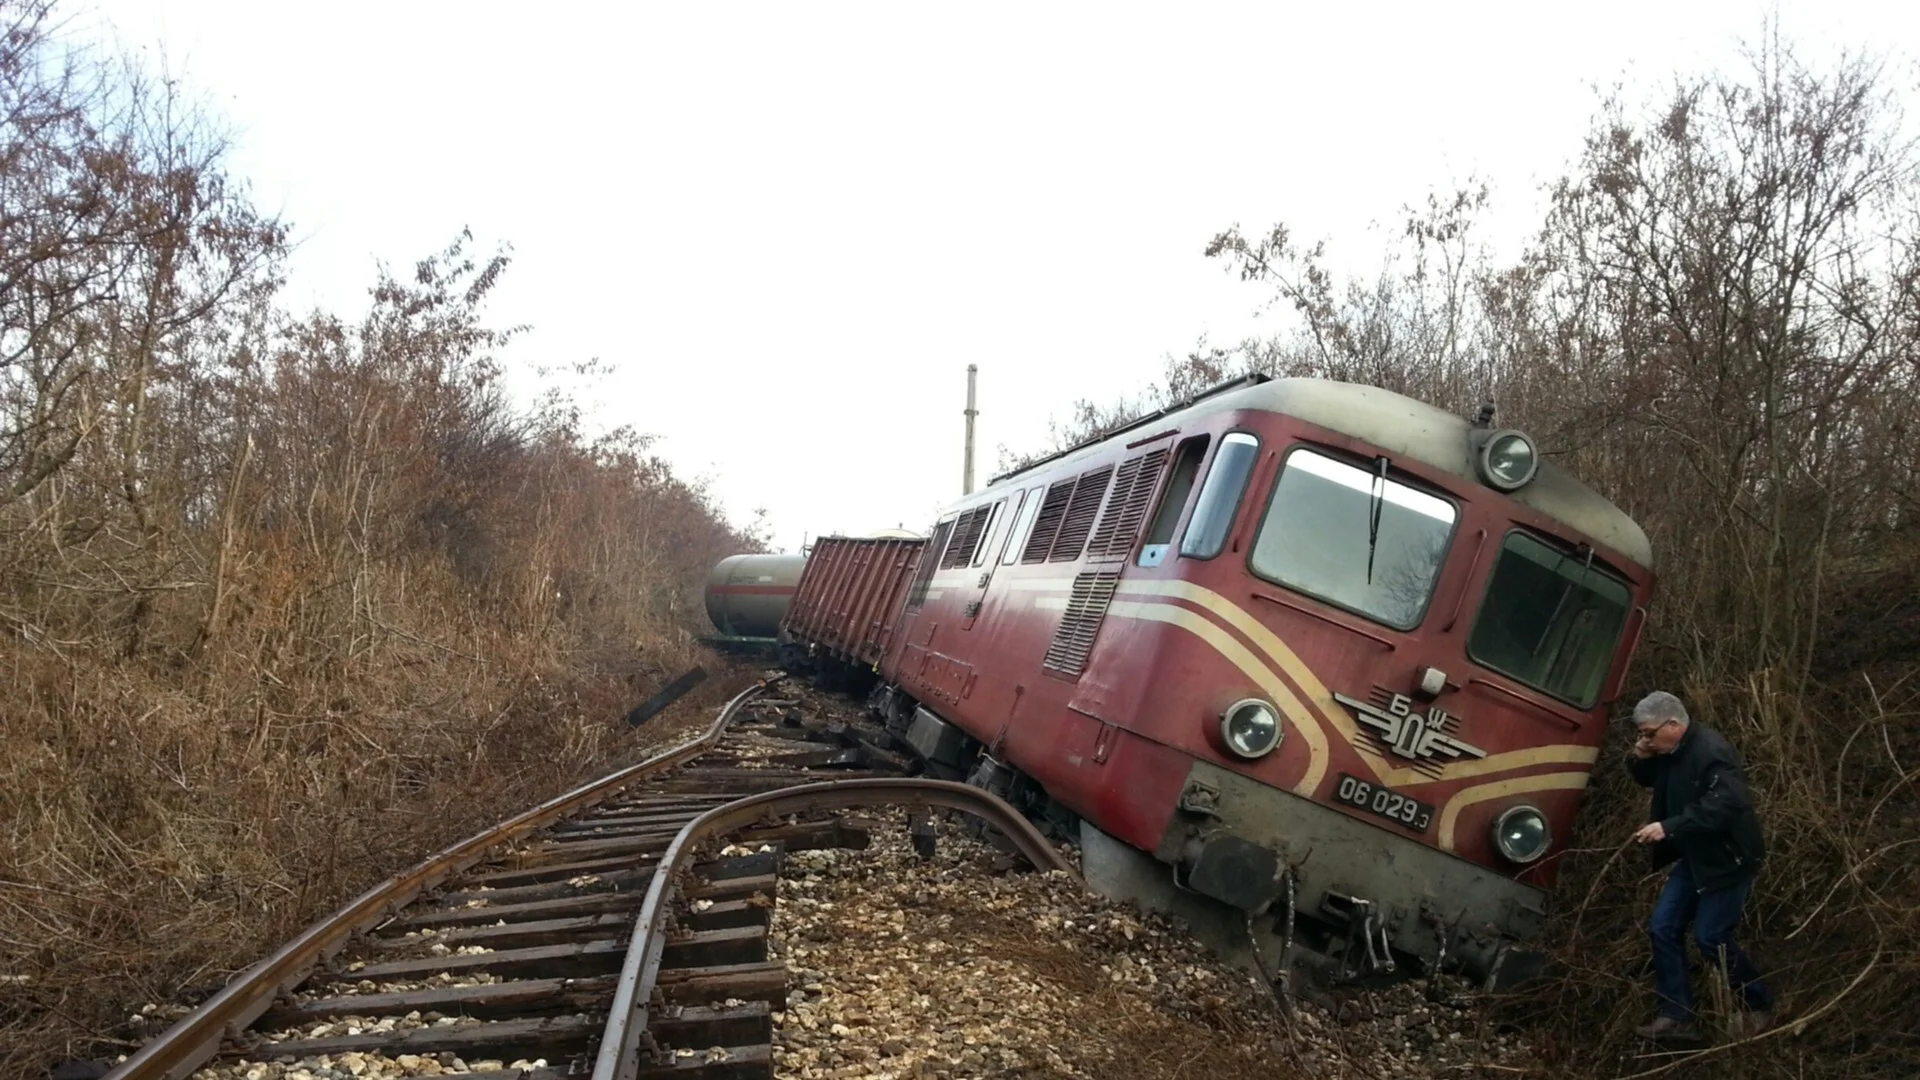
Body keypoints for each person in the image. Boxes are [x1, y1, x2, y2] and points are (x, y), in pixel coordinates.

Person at [1625, 690, 1775, 1039]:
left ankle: (1759, 1003)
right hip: (1695, 857)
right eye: (1641, 734)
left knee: (1711, 936)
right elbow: (1648, 779)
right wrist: (1639, 755)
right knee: (1663, 926)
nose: (1645, 739)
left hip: (1728, 858)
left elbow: (1726, 805)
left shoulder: (1711, 751)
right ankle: (1677, 1015)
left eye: (1649, 733)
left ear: (1674, 724)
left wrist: (1668, 827)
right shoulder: (1668, 751)